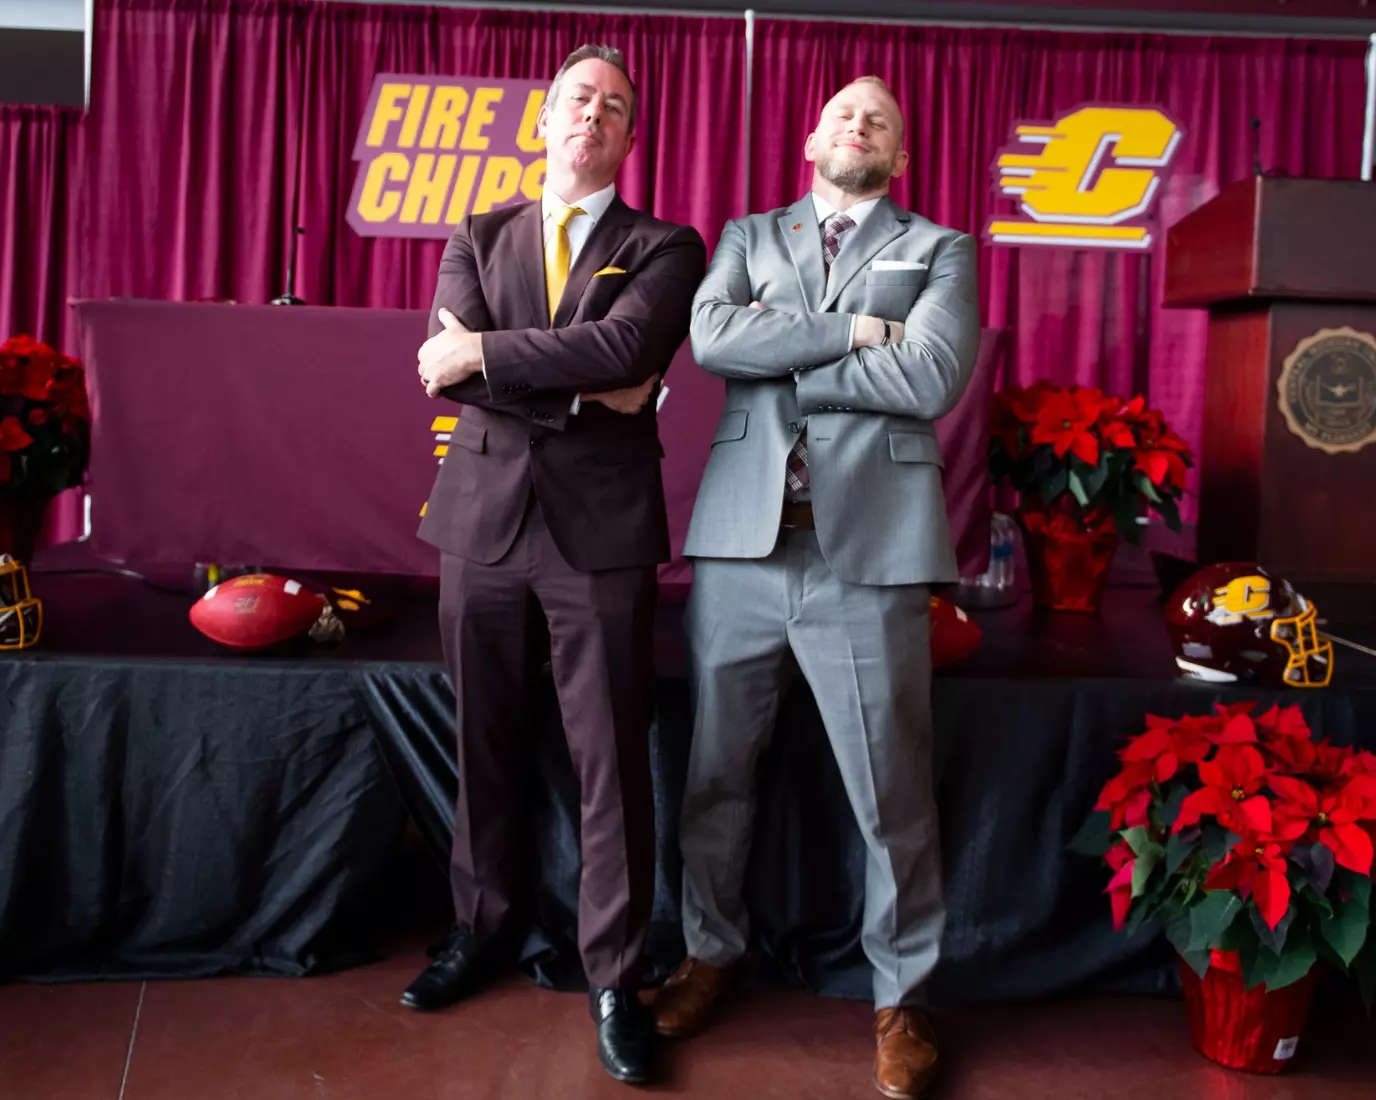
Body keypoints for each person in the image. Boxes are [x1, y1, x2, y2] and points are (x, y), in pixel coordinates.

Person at [656, 75, 980, 1100]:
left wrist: (785, 349)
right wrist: (856, 333)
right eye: (844, 112)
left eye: (880, 118)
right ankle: (709, 954)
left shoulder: (941, 248)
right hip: (741, 549)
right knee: (715, 774)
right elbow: (715, 340)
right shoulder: (748, 236)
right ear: (811, 139)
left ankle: (903, 996)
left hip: (871, 554)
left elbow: (931, 376)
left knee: (892, 792)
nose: (860, 123)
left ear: (901, 156)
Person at [405, 44, 705, 1087]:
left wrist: (491, 354)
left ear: (631, 136)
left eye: (615, 106)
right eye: (580, 97)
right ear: (544, 119)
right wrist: (585, 386)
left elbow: (626, 350)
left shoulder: (666, 245)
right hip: (481, 523)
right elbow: (445, 369)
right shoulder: (477, 233)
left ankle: (614, 976)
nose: (594, 114)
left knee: (611, 758)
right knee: (482, 740)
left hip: (602, 534)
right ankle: (480, 926)